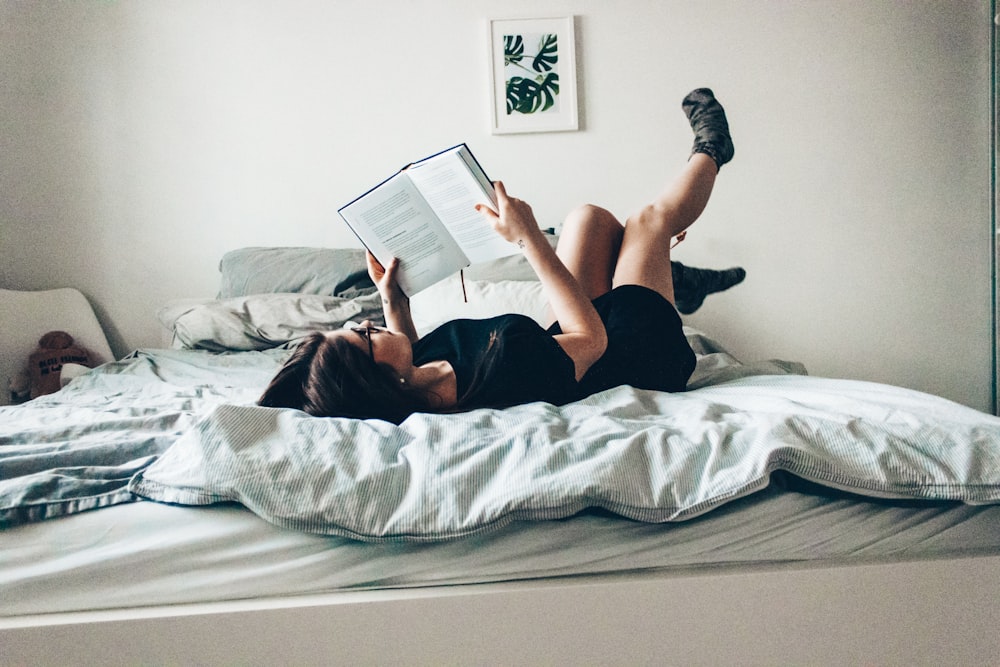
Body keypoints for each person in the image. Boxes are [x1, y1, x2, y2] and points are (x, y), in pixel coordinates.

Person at [259, 88, 736, 423]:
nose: (367, 326)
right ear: (379, 382)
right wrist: (528, 238)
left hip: (566, 342)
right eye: (363, 338)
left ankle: (672, 279)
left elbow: (409, 348)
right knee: (648, 223)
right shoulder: (496, 372)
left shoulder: (416, 379)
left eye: (356, 325)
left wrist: (393, 301)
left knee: (589, 219)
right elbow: (590, 341)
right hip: (633, 351)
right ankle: (712, 149)